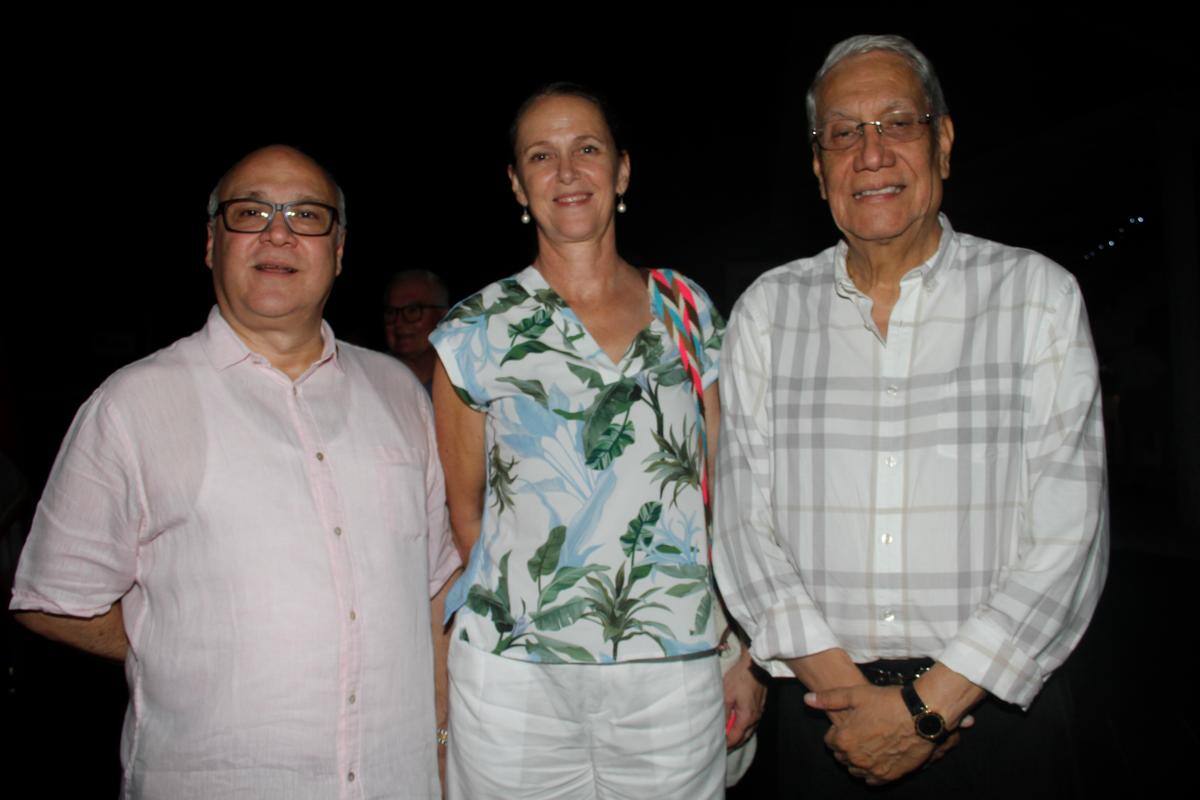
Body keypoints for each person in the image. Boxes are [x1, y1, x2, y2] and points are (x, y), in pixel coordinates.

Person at [714, 35, 1108, 796]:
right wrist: (850, 702)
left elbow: (1070, 536)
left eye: (897, 122)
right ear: (818, 163)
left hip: (992, 723)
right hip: (822, 719)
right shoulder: (767, 312)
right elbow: (741, 527)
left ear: (944, 141)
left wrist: (925, 711)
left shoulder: (1037, 298)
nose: (871, 153)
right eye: (843, 132)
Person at [10, 145, 461, 798]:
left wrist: (444, 743)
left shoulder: (398, 392)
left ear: (337, 252)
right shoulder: (132, 404)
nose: (278, 231)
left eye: (307, 216)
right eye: (251, 212)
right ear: (211, 243)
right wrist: (177, 639)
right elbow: (54, 599)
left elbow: (433, 587)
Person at [430, 83, 764, 799]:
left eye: (587, 149)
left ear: (622, 171)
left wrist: (739, 648)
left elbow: (722, 498)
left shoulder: (685, 305)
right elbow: (466, 515)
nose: (567, 171)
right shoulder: (475, 328)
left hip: (672, 665)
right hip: (515, 674)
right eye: (541, 156)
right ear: (518, 184)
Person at [384, 269, 449, 390]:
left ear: (443, 316)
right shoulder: (369, 378)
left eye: (413, 311)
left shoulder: (465, 382)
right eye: (391, 312)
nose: (398, 322)